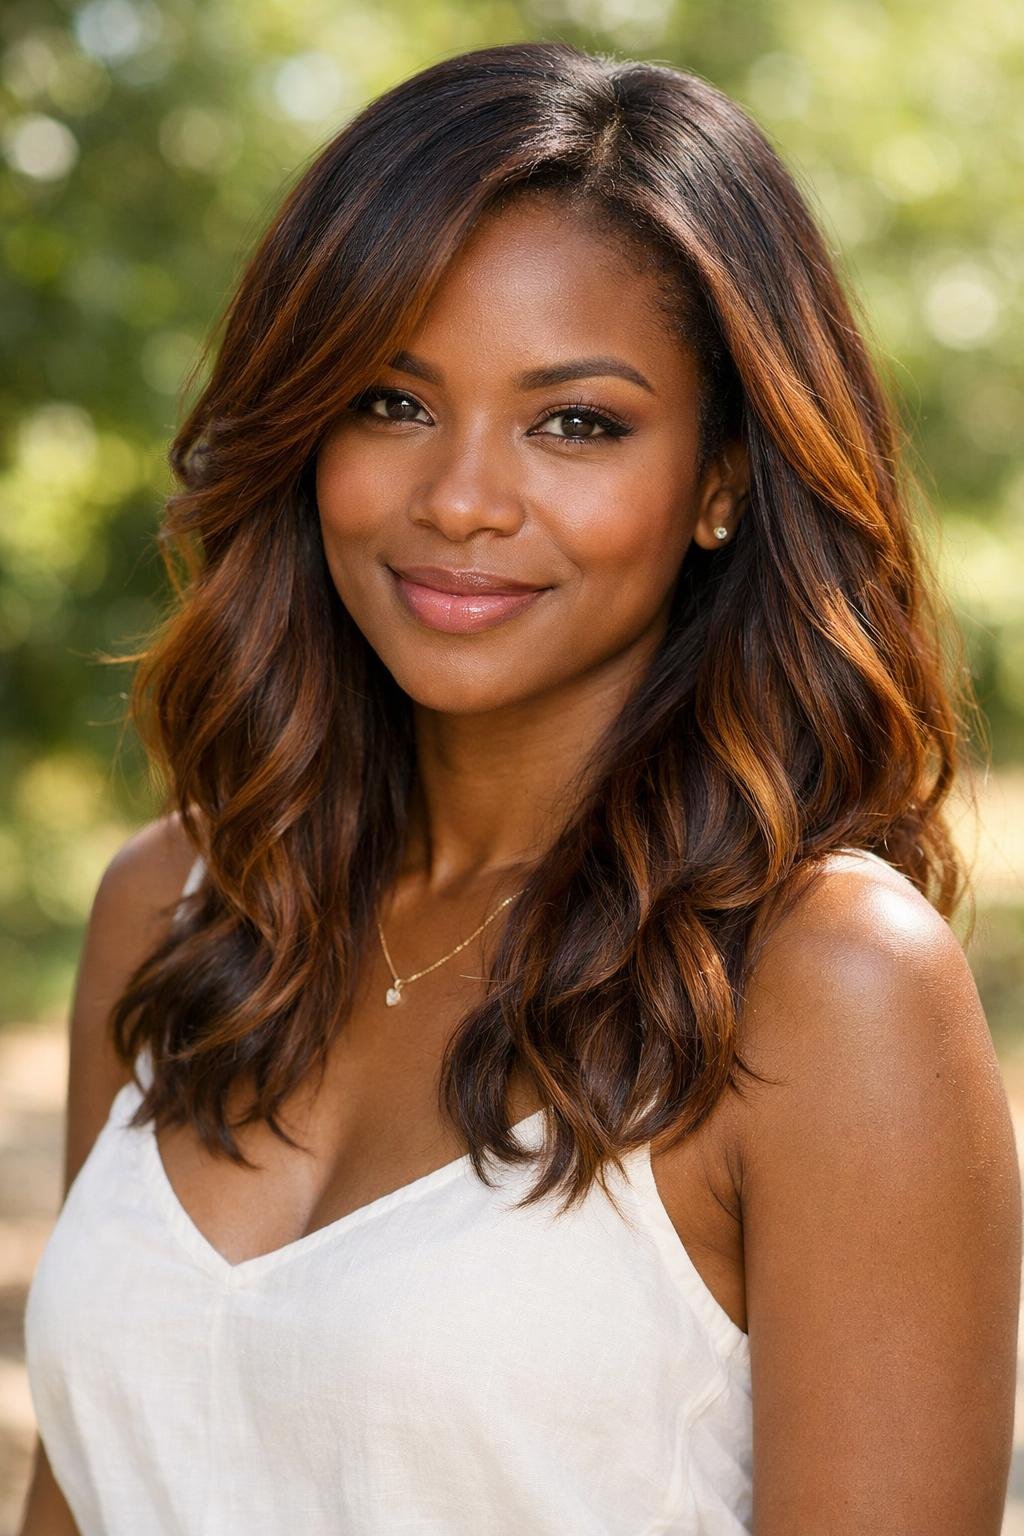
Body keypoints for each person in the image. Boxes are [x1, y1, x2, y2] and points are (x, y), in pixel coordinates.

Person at [17, 37, 1020, 1536]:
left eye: (578, 423)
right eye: (391, 403)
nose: (463, 499)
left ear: (727, 480)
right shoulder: (180, 909)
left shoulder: (827, 985)